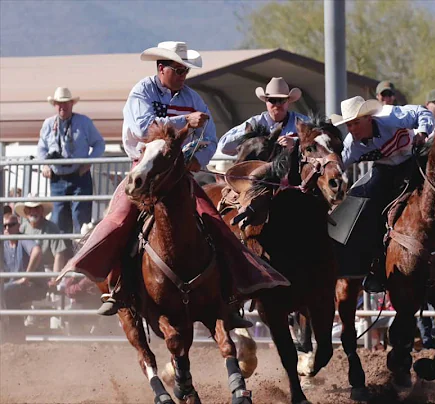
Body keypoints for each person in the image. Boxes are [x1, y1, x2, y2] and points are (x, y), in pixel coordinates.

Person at [62, 41, 288, 327]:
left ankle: (232, 293)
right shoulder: (142, 91)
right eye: (178, 69)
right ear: (161, 68)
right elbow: (143, 128)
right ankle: (115, 286)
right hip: (145, 168)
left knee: (214, 219)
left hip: (179, 173)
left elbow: (210, 137)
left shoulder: (194, 98)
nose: (183, 75)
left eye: (185, 70)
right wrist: (186, 120)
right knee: (119, 219)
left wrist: (199, 158)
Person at [329, 96, 434, 293]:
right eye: (349, 125)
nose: (352, 129)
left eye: (356, 123)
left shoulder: (389, 116)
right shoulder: (352, 144)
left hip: (416, 159)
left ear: (369, 118)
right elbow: (338, 166)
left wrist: (422, 131)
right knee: (360, 201)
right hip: (385, 170)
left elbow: (422, 112)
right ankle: (373, 264)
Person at [38, 87, 106, 234]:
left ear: (72, 104)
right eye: (59, 103)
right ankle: (64, 256)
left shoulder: (84, 122)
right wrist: (45, 164)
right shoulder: (48, 124)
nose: (63, 106)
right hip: (57, 179)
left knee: (81, 219)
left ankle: (80, 255)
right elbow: (41, 149)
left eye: (66, 103)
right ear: (55, 105)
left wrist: (88, 161)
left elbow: (99, 144)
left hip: (79, 177)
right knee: (59, 221)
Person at [218, 77, 309, 156]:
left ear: (288, 101)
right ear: (266, 101)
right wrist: (249, 135)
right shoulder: (254, 123)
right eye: (273, 100)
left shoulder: (303, 122)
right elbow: (224, 147)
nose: (277, 105)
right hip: (261, 173)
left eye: (281, 100)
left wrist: (295, 142)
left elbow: (320, 143)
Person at [2, 213, 45, 336]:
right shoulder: (3, 243)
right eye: (4, 226)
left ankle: (16, 332)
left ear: (18, 226)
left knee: (7, 292)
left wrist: (26, 277)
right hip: (13, 286)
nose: (7, 229)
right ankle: (13, 331)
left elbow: (36, 251)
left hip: (34, 286)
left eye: (11, 225)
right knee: (7, 291)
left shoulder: (23, 239)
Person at [16, 198, 71, 273]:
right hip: (26, 268)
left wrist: (54, 278)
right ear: (25, 212)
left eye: (36, 208)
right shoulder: (23, 228)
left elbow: (59, 255)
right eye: (29, 209)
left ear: (42, 210)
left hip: (46, 269)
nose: (33, 211)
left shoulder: (52, 228)